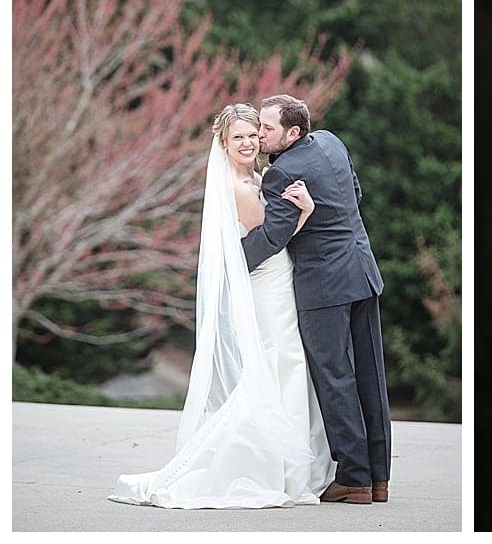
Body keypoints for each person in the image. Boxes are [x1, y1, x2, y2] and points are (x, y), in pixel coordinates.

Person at [111, 104, 335, 508]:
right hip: (269, 287)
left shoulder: (256, 176)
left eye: (253, 134)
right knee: (281, 363)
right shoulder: (238, 187)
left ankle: (291, 461)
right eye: (239, 138)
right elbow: (270, 241)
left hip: (277, 282)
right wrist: (306, 211)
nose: (249, 142)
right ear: (224, 144)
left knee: (284, 365)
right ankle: (281, 467)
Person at [241, 94, 391, 505]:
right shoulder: (330, 142)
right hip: (361, 269)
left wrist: (229, 261)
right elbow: (354, 195)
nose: (259, 133)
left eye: (267, 128)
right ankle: (379, 478)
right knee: (370, 375)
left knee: (335, 376)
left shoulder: (282, 173)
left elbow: (273, 237)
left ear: (292, 133)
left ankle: (354, 477)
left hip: (324, 285)